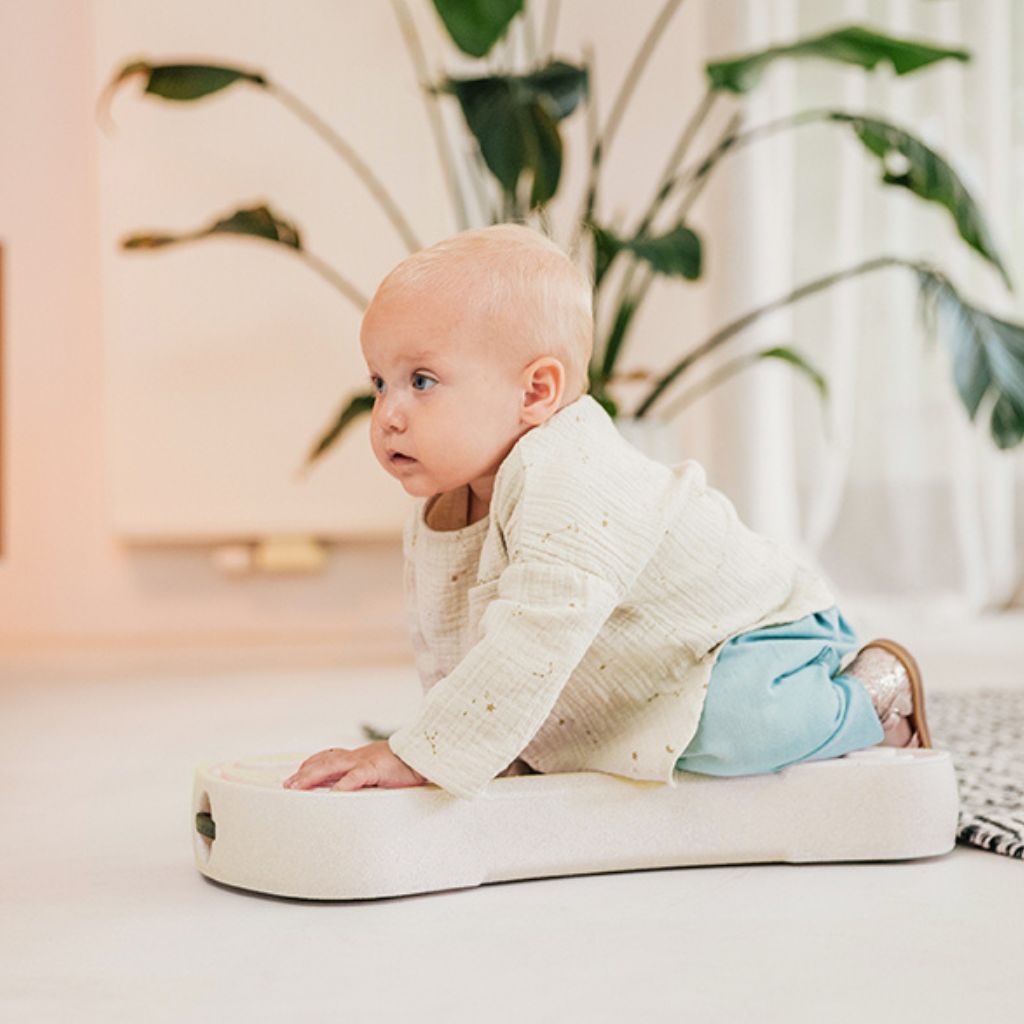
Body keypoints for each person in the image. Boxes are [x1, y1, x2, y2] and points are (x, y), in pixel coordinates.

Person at [283, 224, 931, 800]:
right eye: (379, 383)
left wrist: (419, 753)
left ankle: (875, 694)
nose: (388, 413)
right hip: (649, 663)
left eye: (420, 381)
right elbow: (459, 645)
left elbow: (540, 626)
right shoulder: (451, 498)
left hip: (752, 637)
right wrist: (454, 754)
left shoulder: (565, 470)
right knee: (604, 739)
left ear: (537, 391)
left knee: (731, 728)